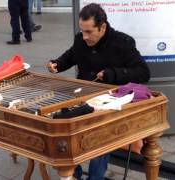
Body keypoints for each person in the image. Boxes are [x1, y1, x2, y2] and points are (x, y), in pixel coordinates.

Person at [47, 3, 150, 180]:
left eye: (89, 32)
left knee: (98, 135)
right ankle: (73, 174)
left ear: (102, 27)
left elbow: (143, 72)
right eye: (82, 31)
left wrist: (113, 74)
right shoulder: (81, 40)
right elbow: (71, 55)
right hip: (80, 95)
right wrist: (57, 64)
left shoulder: (122, 43)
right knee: (60, 124)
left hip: (107, 102)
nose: (84, 36)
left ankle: (95, 178)